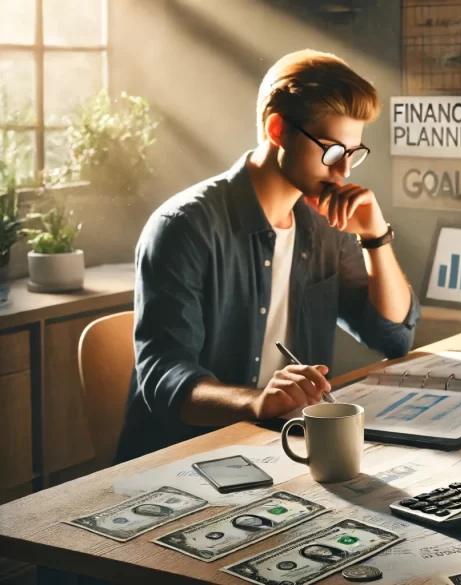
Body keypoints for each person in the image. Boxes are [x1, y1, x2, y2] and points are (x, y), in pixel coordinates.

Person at [116, 49, 419, 462]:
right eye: (332, 151)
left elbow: (393, 336)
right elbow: (165, 379)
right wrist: (257, 402)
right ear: (279, 130)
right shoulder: (184, 227)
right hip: (184, 462)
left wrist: (375, 236)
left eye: (353, 153)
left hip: (283, 451)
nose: (345, 172)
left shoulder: (324, 225)